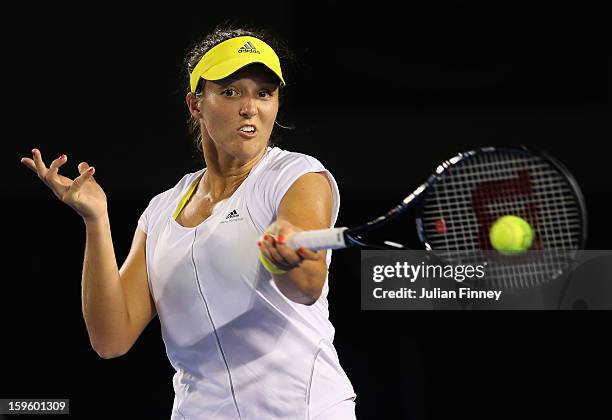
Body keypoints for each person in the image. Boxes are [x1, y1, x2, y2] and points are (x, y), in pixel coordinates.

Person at [20, 25, 357, 419]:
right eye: (231, 92)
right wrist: (97, 219)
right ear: (196, 104)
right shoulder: (161, 211)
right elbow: (110, 339)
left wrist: (286, 254)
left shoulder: (297, 176)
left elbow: (306, 287)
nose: (251, 107)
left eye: (264, 93)